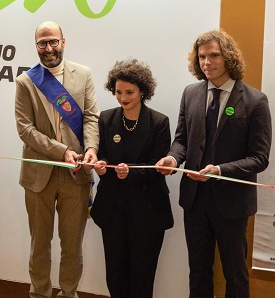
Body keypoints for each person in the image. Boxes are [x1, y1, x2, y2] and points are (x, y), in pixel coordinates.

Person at [156, 30, 272, 297]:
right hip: (195, 200)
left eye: (214, 55)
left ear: (228, 57)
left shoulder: (256, 101)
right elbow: (181, 139)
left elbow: (259, 158)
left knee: (235, 273)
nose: (207, 62)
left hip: (232, 203)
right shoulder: (191, 93)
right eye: (202, 57)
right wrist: (172, 158)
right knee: (198, 270)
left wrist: (219, 171)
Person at [14, 21, 99, 298]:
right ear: (36, 45)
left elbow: (90, 118)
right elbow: (25, 130)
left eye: (53, 41)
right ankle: (39, 294)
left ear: (63, 41)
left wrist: (91, 149)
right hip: (39, 173)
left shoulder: (83, 74)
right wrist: (60, 151)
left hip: (77, 173)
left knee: (72, 245)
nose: (48, 48)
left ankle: (69, 293)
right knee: (40, 244)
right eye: (42, 43)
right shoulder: (26, 81)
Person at [90, 59, 173, 298]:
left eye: (129, 92)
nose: (123, 97)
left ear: (143, 92)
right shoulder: (106, 118)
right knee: (115, 274)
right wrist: (101, 165)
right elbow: (102, 154)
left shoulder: (159, 122)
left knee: (142, 276)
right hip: (113, 209)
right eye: (118, 92)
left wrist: (131, 171)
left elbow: (159, 166)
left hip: (148, 212)